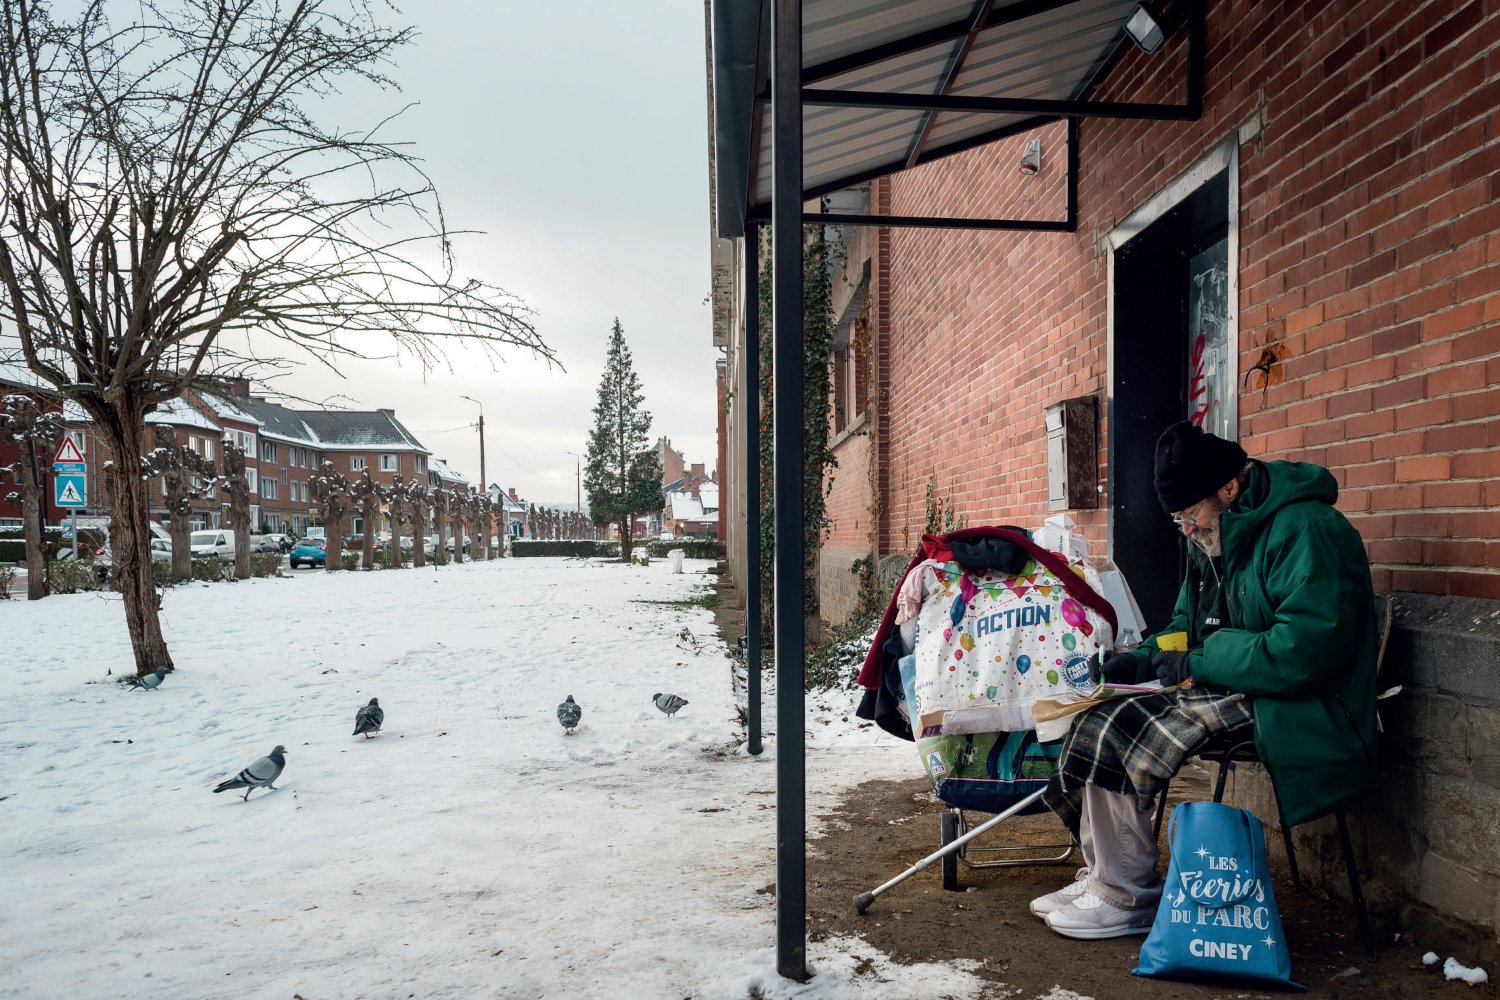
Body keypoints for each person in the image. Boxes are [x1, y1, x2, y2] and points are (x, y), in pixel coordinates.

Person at [1033, 421, 1378, 940]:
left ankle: (1127, 896)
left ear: (1229, 488)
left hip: (1300, 699)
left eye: (1189, 514)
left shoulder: (1308, 530)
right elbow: (1185, 627)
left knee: (1125, 727)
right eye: (1178, 520)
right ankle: (1106, 873)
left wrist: (1201, 661)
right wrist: (1143, 660)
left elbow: (1303, 651)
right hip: (1242, 681)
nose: (1188, 530)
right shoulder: (1215, 534)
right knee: (1097, 711)